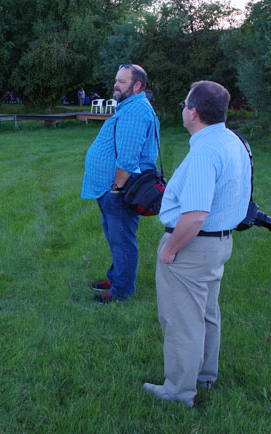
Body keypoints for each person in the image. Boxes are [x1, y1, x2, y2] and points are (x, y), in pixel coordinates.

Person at [143, 81, 252, 408]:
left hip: (192, 245)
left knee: (181, 322)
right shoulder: (233, 140)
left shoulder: (205, 150)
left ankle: (178, 391)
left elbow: (194, 216)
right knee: (206, 313)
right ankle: (205, 373)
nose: (183, 109)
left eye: (184, 104)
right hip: (218, 244)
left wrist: (170, 249)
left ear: (193, 111)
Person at [81, 64, 160, 303]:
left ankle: (122, 291)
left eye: (122, 82)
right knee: (116, 238)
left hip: (119, 189)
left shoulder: (135, 112)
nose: (116, 85)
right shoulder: (128, 107)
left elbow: (127, 159)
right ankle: (117, 277)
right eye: (116, 80)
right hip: (111, 188)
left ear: (137, 86)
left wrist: (116, 189)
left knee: (122, 239)